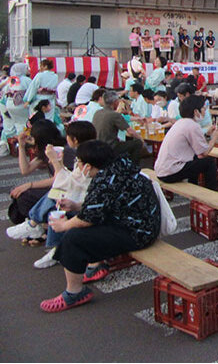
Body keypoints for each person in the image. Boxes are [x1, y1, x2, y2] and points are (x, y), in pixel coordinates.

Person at [40, 140, 160, 313]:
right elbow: (102, 206)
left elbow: (88, 219)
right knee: (78, 224)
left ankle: (74, 293)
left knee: (73, 237)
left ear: (88, 166)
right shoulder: (119, 167)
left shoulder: (106, 180)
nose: (78, 166)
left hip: (138, 232)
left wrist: (63, 225)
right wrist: (75, 206)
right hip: (139, 223)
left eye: (78, 163)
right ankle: (94, 266)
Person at [7, 121, 97, 269]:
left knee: (54, 196)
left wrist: (55, 162)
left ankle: (36, 226)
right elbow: (25, 170)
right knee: (49, 199)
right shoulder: (73, 152)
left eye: (32, 136)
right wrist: (22, 146)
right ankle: (51, 244)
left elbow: (68, 181)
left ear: (74, 139)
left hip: (82, 197)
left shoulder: (73, 153)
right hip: (78, 194)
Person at [6, 120, 66, 227]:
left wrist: (29, 185)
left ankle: (38, 225)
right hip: (56, 187)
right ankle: (36, 223)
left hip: (63, 189)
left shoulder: (60, 150)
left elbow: (59, 178)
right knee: (19, 194)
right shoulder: (46, 151)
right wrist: (21, 146)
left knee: (24, 196)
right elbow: (25, 170)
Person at [155, 95, 218, 189]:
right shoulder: (193, 125)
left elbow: (195, 145)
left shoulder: (181, 122)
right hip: (170, 172)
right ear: (196, 111)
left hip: (162, 170)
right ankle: (211, 193)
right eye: (203, 108)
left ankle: (194, 187)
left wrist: (207, 134)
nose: (204, 111)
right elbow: (203, 153)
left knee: (194, 160)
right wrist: (214, 138)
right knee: (209, 162)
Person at [91, 91, 146, 163]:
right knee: (137, 143)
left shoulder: (97, 112)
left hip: (97, 146)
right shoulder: (114, 115)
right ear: (115, 102)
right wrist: (141, 139)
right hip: (110, 147)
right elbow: (130, 132)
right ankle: (133, 167)